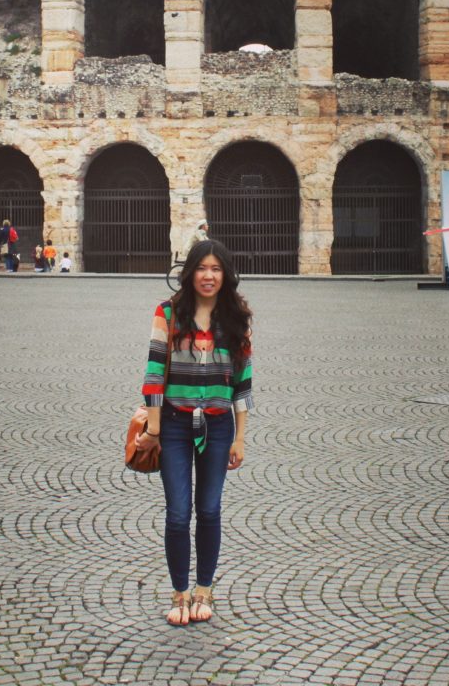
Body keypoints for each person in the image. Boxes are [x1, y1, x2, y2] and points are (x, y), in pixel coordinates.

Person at [132, 239, 253, 626]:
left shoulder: (237, 317)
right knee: (178, 513)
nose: (209, 276)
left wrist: (240, 437)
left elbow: (243, 382)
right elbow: (153, 374)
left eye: (217, 269)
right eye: (203, 268)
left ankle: (204, 589)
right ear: (190, 272)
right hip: (174, 425)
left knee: (210, 510)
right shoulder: (167, 313)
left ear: (226, 275)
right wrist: (153, 429)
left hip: (218, 426)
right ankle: (179, 593)